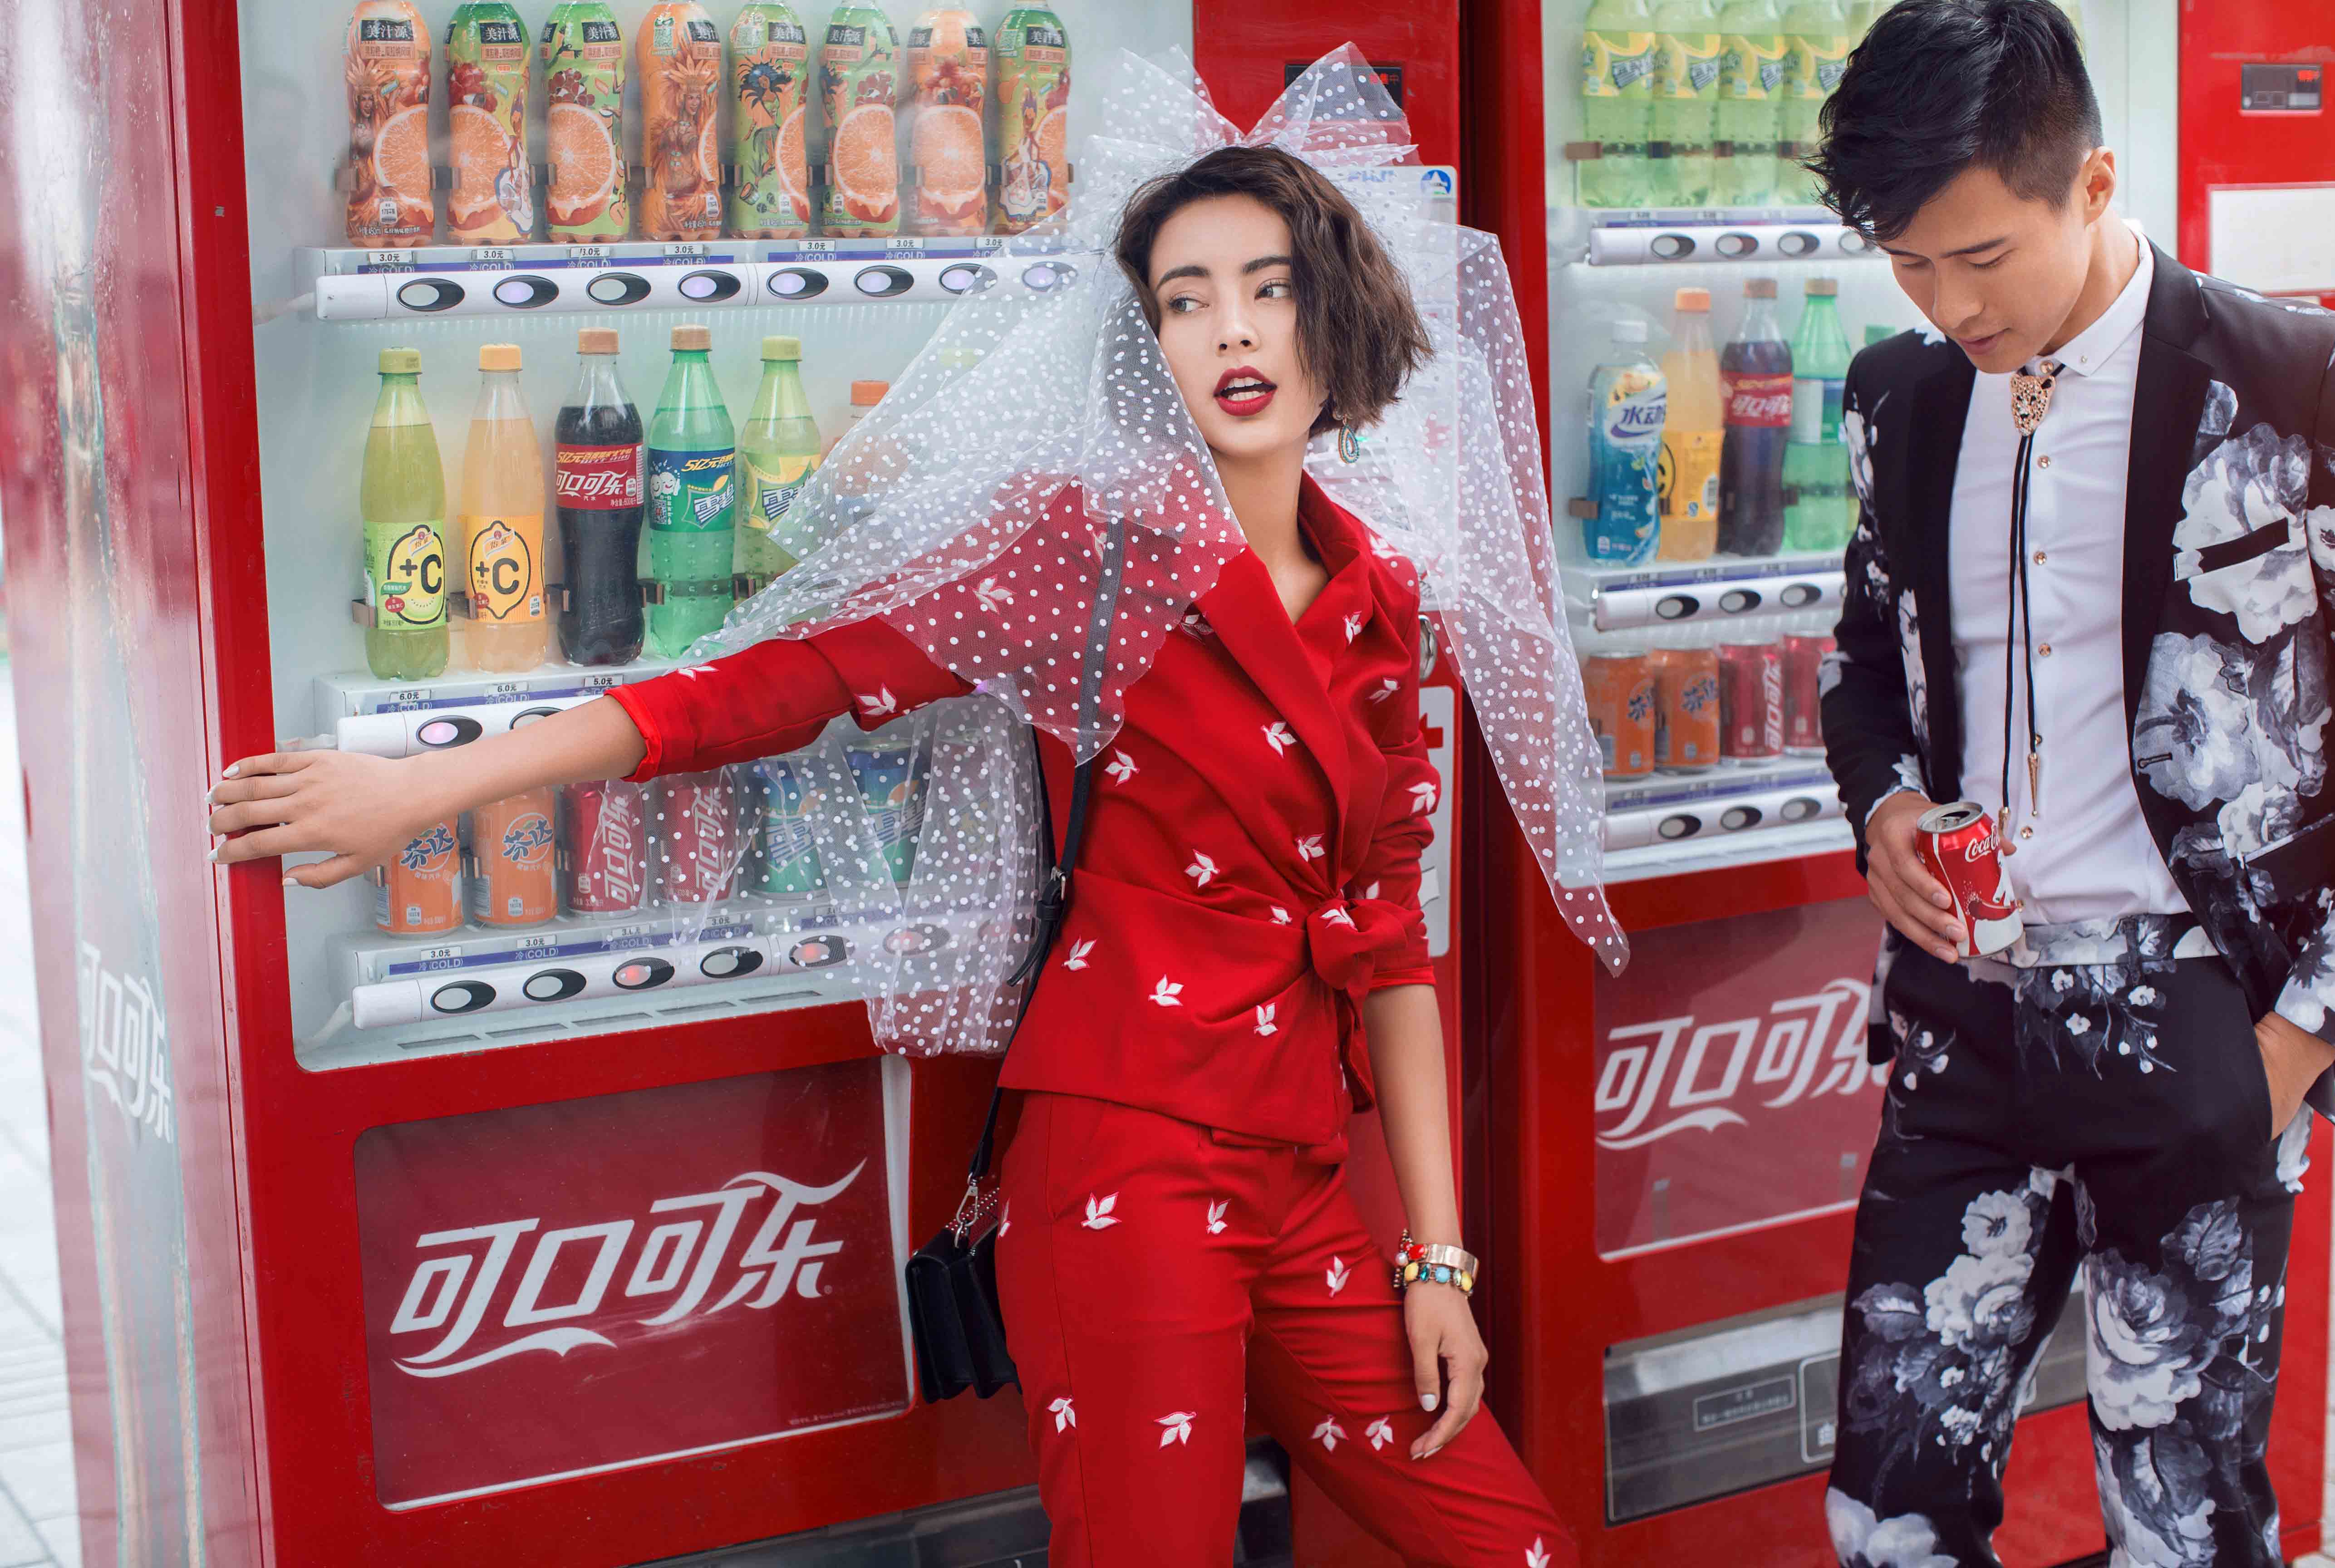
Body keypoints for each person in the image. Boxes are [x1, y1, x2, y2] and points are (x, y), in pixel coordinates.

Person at [205, 137, 1578, 1566]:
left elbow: (1391, 940)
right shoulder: (1092, 557)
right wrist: (424, 787)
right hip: (1130, 1166)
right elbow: (777, 684)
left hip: (1304, 1179)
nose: (1231, 330)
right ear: (1147, 347)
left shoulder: (1378, 597)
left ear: (1334, 313)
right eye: (1186, 300)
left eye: (1268, 288)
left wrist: (1437, 1257)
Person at [1808, 3, 2335, 1564]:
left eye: (1983, 257)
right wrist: (1884, 805)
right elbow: (1863, 660)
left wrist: (2296, 1040)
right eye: (1910, 263)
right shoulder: (1901, 394)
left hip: (2198, 1023)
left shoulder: (2299, 381)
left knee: (2180, 1531)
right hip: (1962, 1026)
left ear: (2095, 183)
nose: (1949, 304)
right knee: (1887, 1516)